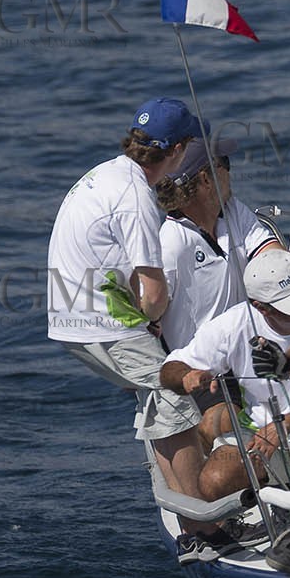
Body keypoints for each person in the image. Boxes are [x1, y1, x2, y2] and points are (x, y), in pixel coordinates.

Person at [46, 97, 211, 523]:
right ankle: (203, 524)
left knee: (158, 398)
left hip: (71, 314)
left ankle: (182, 510)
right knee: (178, 405)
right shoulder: (136, 196)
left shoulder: (106, 172)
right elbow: (154, 291)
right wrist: (153, 323)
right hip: (99, 321)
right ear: (175, 150)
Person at [159, 251, 290, 560]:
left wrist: (285, 424)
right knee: (215, 479)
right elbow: (169, 369)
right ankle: (277, 500)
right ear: (260, 308)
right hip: (263, 440)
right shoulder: (234, 324)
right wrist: (187, 376)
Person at [154, 135, 281, 353]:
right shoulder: (171, 245)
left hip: (247, 358)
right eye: (225, 164)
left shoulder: (232, 210)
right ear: (206, 180)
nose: (230, 173)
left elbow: (276, 261)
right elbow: (145, 320)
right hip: (202, 375)